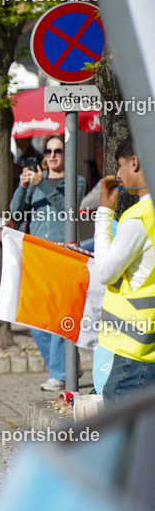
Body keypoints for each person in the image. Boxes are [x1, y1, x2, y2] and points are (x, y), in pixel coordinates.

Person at [9, 134, 86, 391]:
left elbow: (67, 210)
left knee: (58, 317)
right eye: (49, 151)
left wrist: (42, 184)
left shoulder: (76, 180)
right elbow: (14, 213)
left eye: (59, 151)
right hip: (36, 255)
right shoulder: (33, 184)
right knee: (34, 320)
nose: (53, 155)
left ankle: (59, 374)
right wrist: (23, 186)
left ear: (66, 155)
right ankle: (67, 363)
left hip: (61, 254)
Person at [95, 138, 155, 403]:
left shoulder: (138, 216)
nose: (117, 174)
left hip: (135, 353)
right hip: (149, 344)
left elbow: (105, 271)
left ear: (135, 161)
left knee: (122, 432)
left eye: (119, 165)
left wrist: (104, 214)